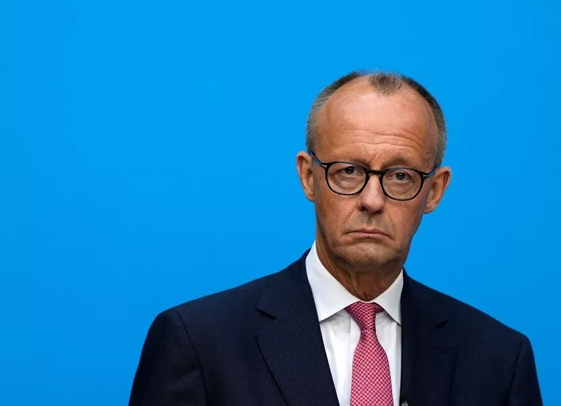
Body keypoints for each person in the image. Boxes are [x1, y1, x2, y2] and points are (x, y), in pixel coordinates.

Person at [129, 71, 542, 406]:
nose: (372, 200)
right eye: (348, 171)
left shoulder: (499, 359)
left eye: (400, 176)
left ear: (434, 191)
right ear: (308, 176)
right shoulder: (200, 343)